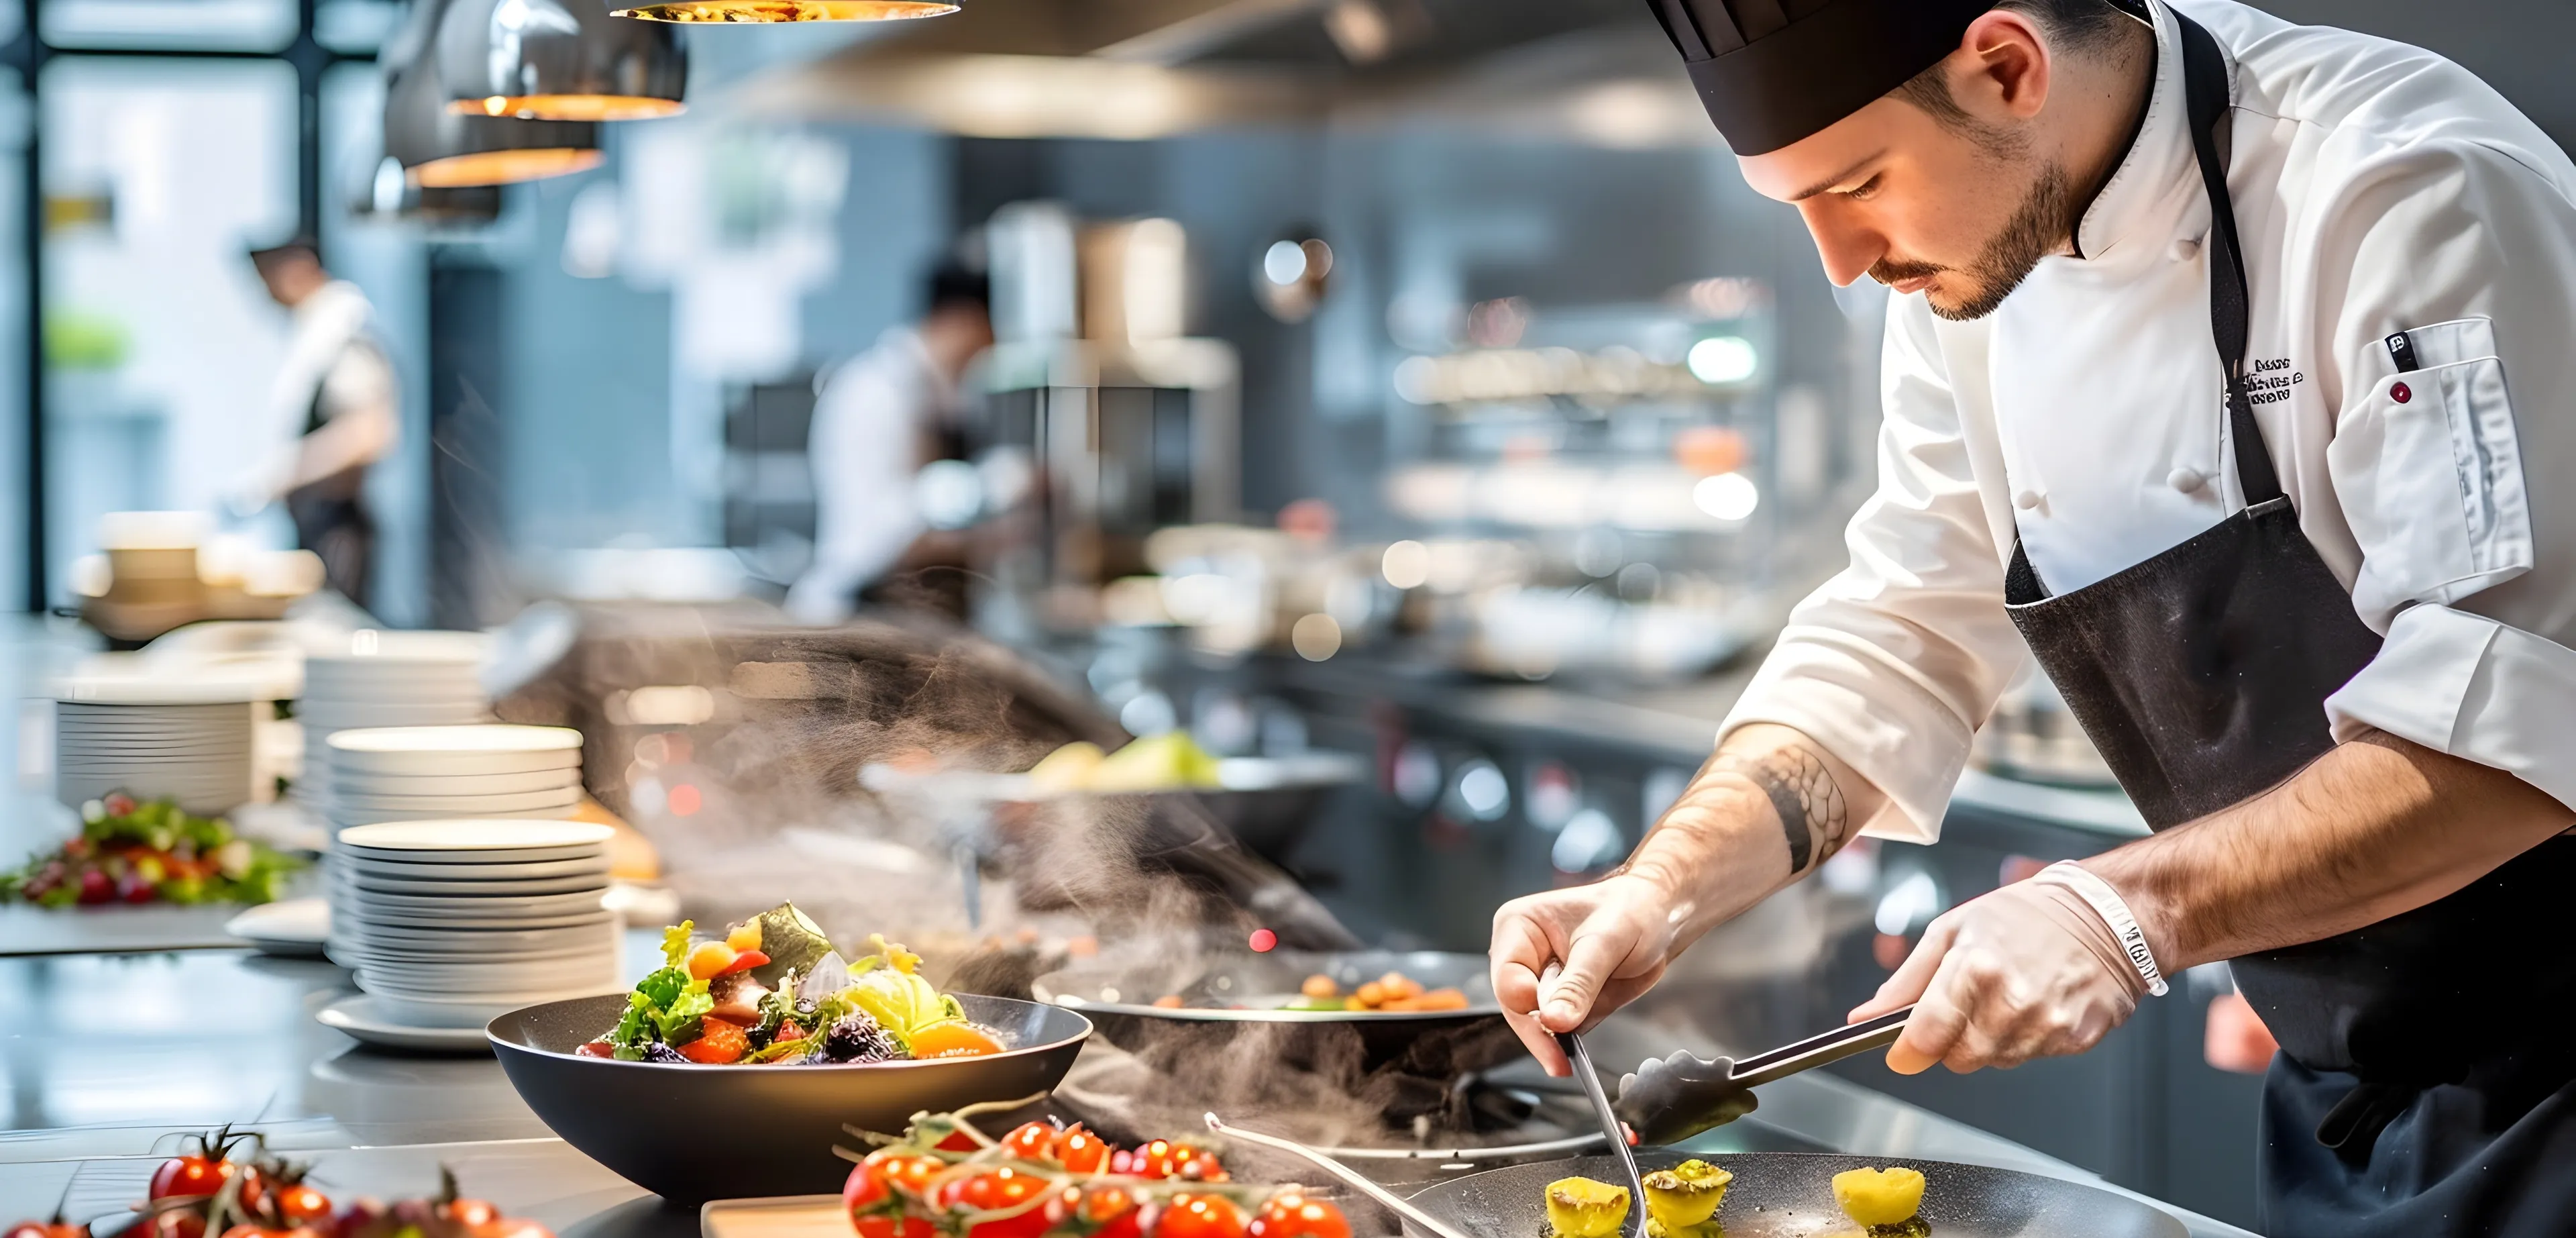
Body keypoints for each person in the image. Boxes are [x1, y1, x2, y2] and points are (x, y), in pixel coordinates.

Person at [1490, 0, 2576, 1232]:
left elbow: (2516, 724)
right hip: (2349, 1067)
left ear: (2006, 66)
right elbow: (1909, 624)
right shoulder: (1970, 265)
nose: (1840, 261)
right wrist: (1659, 891)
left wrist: (2124, 910)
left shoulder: (2401, 186)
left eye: (1857, 185)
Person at [785, 262, 996, 624]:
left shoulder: (918, 394)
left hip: (876, 612)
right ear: (964, 322)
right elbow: (888, 538)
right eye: (986, 340)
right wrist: (1000, 539)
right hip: (858, 614)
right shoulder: (878, 396)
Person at [233, 239, 398, 609]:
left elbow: (367, 433)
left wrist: (278, 478)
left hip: (337, 526)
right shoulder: (319, 334)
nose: (266, 295)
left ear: (299, 266)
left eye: (268, 279)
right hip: (318, 524)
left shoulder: (344, 332)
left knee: (335, 638)